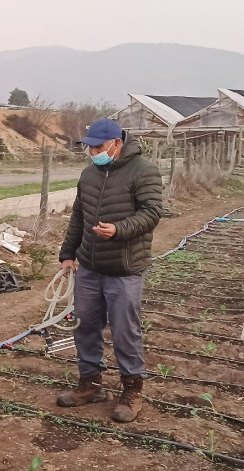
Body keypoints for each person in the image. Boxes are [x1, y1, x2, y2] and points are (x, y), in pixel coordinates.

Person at [57, 119, 162, 422]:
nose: (92, 152)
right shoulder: (88, 174)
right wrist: (67, 252)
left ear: (117, 143)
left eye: (98, 147)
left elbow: (152, 212)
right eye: (89, 147)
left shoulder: (144, 171)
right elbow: (79, 215)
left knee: (124, 330)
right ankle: (90, 383)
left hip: (124, 266)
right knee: (85, 325)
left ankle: (132, 389)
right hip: (90, 265)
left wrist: (119, 229)